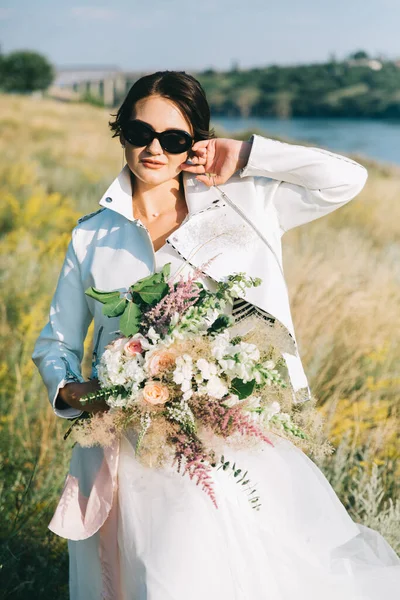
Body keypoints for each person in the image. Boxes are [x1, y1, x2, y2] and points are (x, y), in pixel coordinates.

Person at [31, 71, 400, 600]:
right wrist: (74, 392)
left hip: (230, 446)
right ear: (121, 132)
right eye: (139, 133)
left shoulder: (246, 204)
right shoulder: (91, 234)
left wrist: (246, 156)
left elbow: (345, 179)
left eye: (174, 138)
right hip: (128, 453)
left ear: (195, 142)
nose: (154, 148)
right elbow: (56, 342)